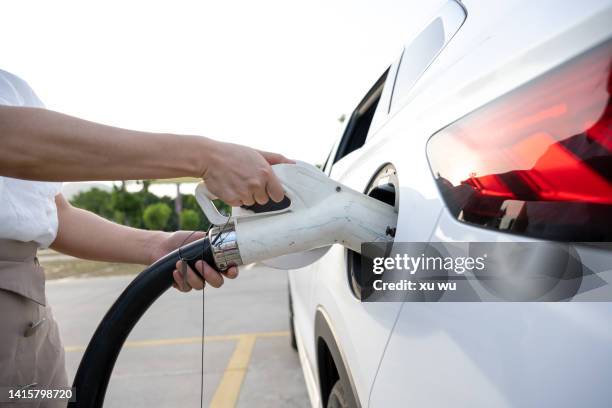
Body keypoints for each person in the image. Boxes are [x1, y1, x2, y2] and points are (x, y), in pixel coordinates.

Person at [0, 69, 292, 405]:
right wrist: (206, 157)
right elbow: (11, 142)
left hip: (33, 329)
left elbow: (52, 215)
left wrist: (160, 246)